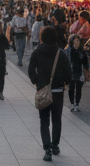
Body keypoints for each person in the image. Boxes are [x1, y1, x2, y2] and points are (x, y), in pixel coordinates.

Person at [28, 25, 72, 162]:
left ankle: (47, 148)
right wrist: (65, 82)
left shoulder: (37, 52)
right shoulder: (61, 53)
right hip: (57, 91)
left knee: (44, 120)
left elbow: (31, 70)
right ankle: (55, 145)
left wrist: (37, 82)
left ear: (42, 37)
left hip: (43, 91)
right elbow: (68, 72)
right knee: (57, 119)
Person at [66, 34, 90, 113]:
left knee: (79, 89)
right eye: (75, 41)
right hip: (70, 72)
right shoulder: (69, 50)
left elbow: (85, 62)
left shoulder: (82, 51)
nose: (77, 42)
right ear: (72, 42)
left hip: (80, 72)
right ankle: (72, 103)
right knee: (71, 88)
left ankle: (77, 104)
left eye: (78, 41)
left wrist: (86, 69)